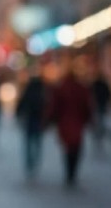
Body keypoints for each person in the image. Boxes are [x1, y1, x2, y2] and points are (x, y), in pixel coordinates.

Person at [46, 57, 93, 187]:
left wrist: (50, 120)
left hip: (65, 124)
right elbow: (87, 107)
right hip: (76, 124)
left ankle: (69, 173)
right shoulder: (80, 88)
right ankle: (72, 173)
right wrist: (89, 120)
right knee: (76, 148)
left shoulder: (62, 88)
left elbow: (54, 107)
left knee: (68, 149)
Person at [16, 68, 47, 178]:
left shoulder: (29, 92)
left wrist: (18, 114)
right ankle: (34, 160)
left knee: (29, 142)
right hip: (37, 121)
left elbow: (21, 104)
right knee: (37, 142)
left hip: (30, 120)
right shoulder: (42, 93)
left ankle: (30, 162)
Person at [90, 67, 111, 152]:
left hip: (98, 106)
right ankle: (99, 135)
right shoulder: (100, 84)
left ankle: (98, 135)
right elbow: (109, 94)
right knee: (100, 121)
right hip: (100, 106)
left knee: (99, 121)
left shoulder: (95, 85)